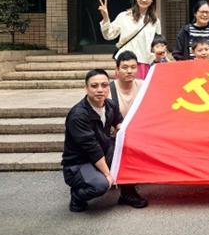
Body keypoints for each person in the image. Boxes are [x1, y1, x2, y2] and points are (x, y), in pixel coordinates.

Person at [62, 69, 147, 212]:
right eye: (94, 86)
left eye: (104, 85)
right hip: (79, 162)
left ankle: (128, 194)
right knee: (101, 185)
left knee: (131, 153)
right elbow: (92, 149)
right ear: (86, 88)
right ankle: (77, 196)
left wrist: (123, 131)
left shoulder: (110, 105)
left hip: (103, 151)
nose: (100, 90)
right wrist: (108, 175)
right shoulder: (78, 115)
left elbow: (119, 122)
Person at [98, 0, 161, 79]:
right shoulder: (124, 16)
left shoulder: (155, 21)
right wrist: (106, 18)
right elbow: (109, 35)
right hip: (125, 63)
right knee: (124, 87)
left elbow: (158, 42)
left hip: (145, 62)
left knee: (142, 88)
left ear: (152, 0)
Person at [109, 51, 144, 117]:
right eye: (125, 67)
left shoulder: (143, 86)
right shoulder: (108, 90)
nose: (129, 71)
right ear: (117, 69)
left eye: (133, 67)